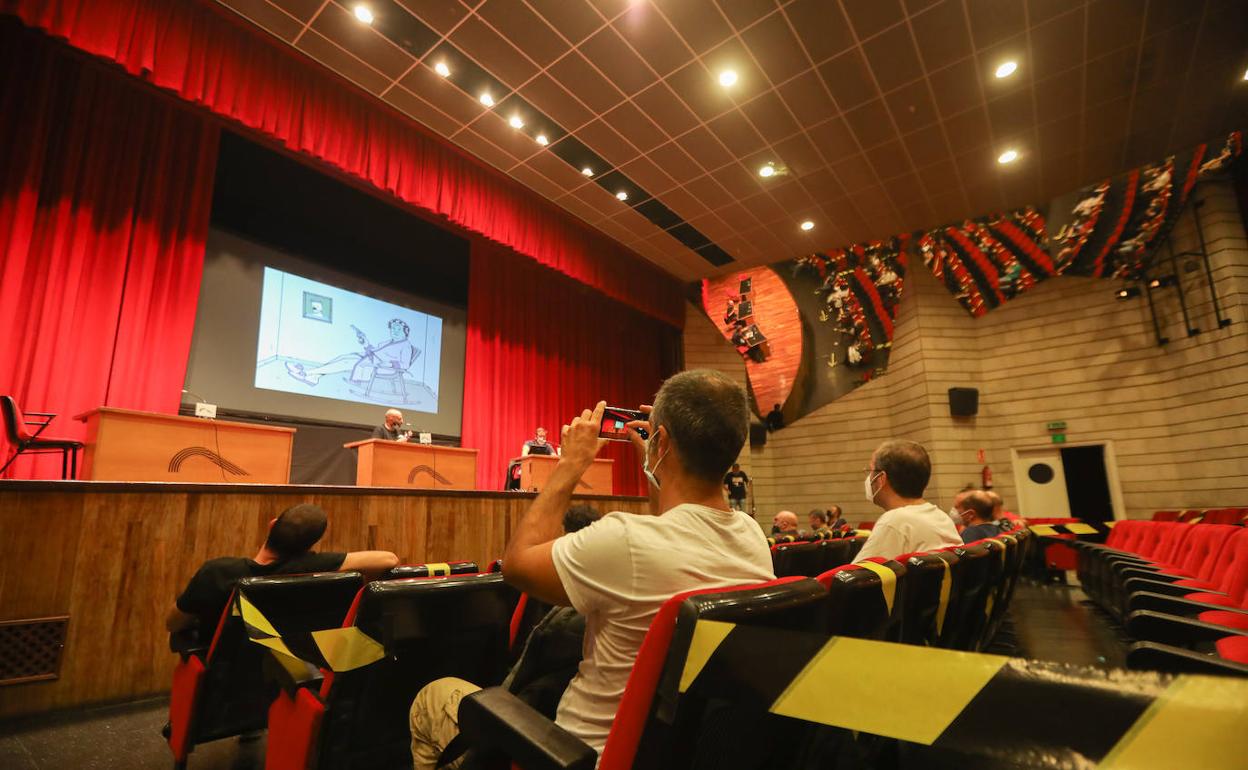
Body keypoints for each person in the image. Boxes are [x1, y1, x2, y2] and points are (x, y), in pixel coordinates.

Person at [407, 370, 773, 767]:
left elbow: (517, 565)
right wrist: (657, 466)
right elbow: (675, 526)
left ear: (662, 441)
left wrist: (571, 464)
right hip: (676, 756)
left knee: (434, 695)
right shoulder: (753, 537)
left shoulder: (625, 541)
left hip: (567, 756)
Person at [413, 503, 603, 768]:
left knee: (431, 695)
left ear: (562, 539)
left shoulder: (563, 622)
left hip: (528, 746)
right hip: (575, 746)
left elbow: (513, 696)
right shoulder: (643, 613)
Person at [165, 503, 398, 635]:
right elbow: (387, 559)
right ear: (311, 545)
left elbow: (173, 624)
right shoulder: (316, 569)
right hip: (291, 673)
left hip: (224, 683)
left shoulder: (216, 572)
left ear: (273, 525)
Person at [854, 440, 961, 562]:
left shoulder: (895, 521)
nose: (868, 478)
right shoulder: (941, 517)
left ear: (880, 479)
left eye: (871, 470)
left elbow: (852, 577)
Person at [285, 318, 419, 388]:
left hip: (381, 367)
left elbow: (404, 365)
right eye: (393, 328)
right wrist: (364, 340)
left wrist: (387, 363)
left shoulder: (406, 346)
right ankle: (314, 376)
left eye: (398, 328)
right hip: (371, 359)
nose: (394, 331)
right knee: (344, 357)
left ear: (405, 330)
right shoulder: (388, 342)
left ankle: (308, 374)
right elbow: (373, 350)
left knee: (345, 362)